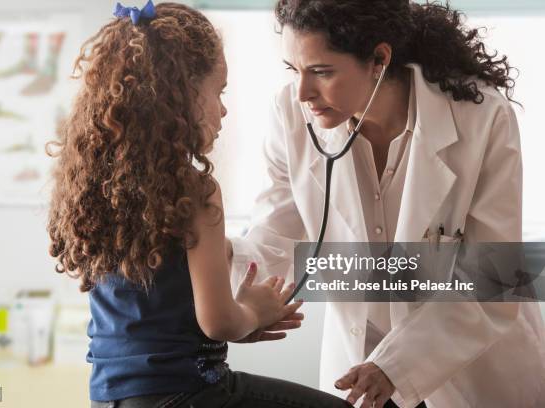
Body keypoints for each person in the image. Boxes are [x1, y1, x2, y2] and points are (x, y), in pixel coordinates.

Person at [227, 0, 545, 407]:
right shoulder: (291, 113)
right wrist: (222, 264)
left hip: (470, 367)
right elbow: (274, 235)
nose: (303, 92)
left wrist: (395, 365)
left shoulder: (481, 118)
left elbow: (494, 277)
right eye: (295, 70)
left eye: (321, 71)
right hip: (359, 369)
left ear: (379, 58)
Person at [47, 2, 353, 407]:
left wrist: (237, 298)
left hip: (112, 397)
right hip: (190, 394)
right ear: (180, 94)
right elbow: (219, 322)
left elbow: (161, 305)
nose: (223, 109)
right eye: (218, 91)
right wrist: (253, 311)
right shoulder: (194, 191)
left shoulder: (95, 186)